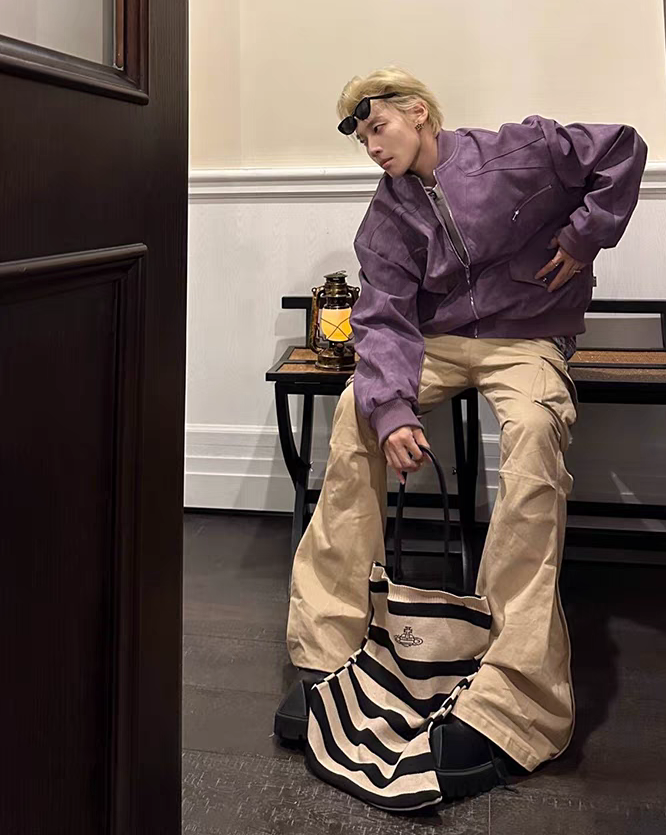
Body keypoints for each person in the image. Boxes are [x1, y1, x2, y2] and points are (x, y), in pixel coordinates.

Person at [274, 66, 647, 798]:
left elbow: (621, 149)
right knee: (355, 410)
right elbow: (383, 319)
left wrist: (585, 238)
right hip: (439, 342)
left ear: (418, 112)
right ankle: (327, 652)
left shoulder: (520, 151)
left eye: (379, 126)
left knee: (534, 432)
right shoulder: (386, 216)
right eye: (361, 138)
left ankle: (516, 693)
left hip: (527, 337)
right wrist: (392, 412)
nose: (373, 147)